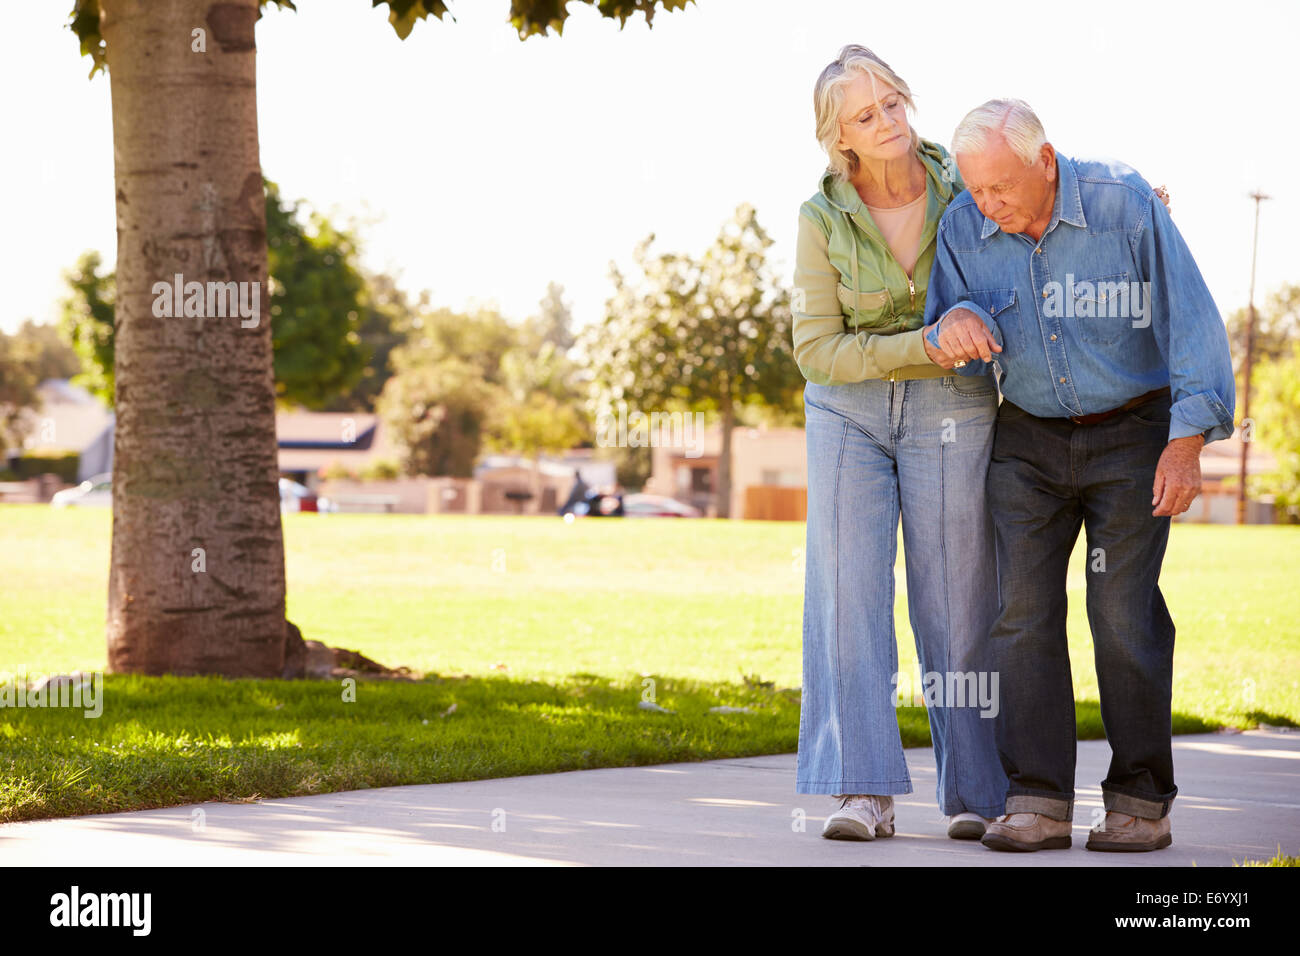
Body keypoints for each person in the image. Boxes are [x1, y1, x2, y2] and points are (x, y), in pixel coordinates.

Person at [924, 99, 1235, 852]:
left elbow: (1193, 320)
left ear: (1046, 159)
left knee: (1122, 615)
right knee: (1021, 616)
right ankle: (1036, 799)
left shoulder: (1125, 205)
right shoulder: (965, 225)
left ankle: (1140, 798)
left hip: (1132, 430)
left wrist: (1186, 441)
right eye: (975, 190)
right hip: (1027, 437)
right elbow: (941, 321)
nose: (987, 206)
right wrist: (951, 323)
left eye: (1000, 187)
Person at [791, 45, 1008, 841]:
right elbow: (816, 350)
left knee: (957, 597)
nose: (886, 122)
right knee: (847, 592)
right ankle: (863, 791)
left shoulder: (963, 188)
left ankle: (981, 792)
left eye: (891, 103)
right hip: (847, 411)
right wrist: (924, 341)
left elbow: (1037, 200)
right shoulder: (822, 218)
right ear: (838, 136)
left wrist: (1130, 210)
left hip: (952, 404)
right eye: (864, 115)